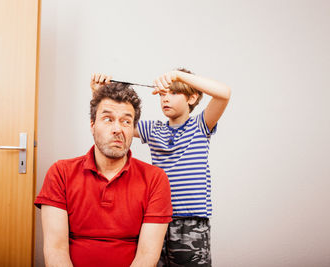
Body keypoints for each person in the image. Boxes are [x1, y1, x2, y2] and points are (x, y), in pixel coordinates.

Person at [90, 69, 231, 266]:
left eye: (173, 93)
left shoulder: (200, 125)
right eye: (163, 94)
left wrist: (178, 76)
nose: (166, 99)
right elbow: (119, 125)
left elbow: (224, 93)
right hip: (156, 220)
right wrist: (98, 93)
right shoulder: (153, 129)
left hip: (191, 222)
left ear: (192, 98)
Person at [35, 82, 173, 267]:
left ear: (133, 129)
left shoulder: (155, 178)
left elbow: (147, 255)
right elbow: (55, 249)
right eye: (108, 119)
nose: (118, 129)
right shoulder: (60, 172)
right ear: (92, 125)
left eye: (126, 121)